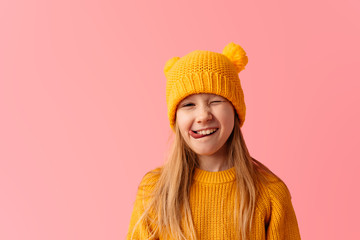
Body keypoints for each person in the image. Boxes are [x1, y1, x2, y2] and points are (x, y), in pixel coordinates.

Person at [126, 42, 301, 240]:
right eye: (188, 104)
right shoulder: (154, 191)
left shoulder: (271, 194)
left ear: (235, 110)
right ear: (176, 119)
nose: (203, 116)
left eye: (216, 101)